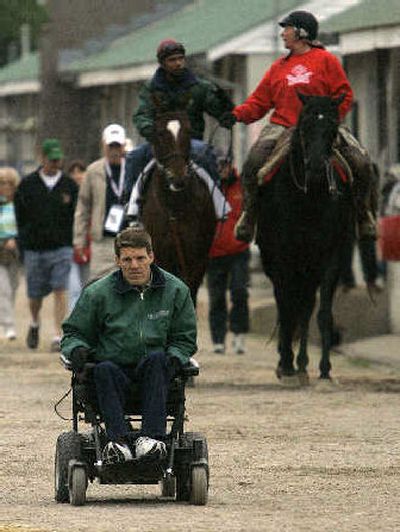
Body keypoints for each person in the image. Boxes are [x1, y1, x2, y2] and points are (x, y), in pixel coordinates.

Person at [228, 10, 376, 244]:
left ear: (301, 33)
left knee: (361, 162)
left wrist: (329, 121)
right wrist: (235, 114)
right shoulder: (278, 67)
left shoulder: (326, 61)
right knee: (253, 162)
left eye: (286, 28)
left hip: (322, 128)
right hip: (282, 127)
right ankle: (249, 216)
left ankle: (363, 215)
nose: (282, 34)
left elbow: (344, 94)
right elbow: (259, 101)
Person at [61, 226, 197, 463]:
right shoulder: (97, 293)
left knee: (158, 361)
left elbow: (185, 337)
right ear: (117, 261)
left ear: (151, 257)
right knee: (103, 369)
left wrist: (176, 356)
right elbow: (73, 333)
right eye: (127, 259)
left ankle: (152, 440)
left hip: (156, 373)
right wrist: (77, 350)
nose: (134, 265)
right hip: (113, 371)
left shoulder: (176, 290)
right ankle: (118, 442)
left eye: (140, 258)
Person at [126, 39, 235, 197]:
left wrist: (226, 110)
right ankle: (128, 205)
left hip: (190, 143)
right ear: (162, 63)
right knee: (133, 157)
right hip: (160, 143)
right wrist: (150, 130)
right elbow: (142, 114)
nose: (178, 63)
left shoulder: (199, 87)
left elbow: (219, 111)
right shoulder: (151, 88)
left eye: (180, 59)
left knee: (206, 154)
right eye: (172, 60)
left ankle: (217, 200)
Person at [14, 139, 78, 351]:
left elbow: (75, 216)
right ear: (42, 158)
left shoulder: (69, 186)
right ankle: (34, 322)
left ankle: (58, 335)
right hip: (34, 248)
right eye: (51, 159)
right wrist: (23, 243)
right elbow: (19, 217)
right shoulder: (27, 184)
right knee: (35, 294)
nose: (55, 163)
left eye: (58, 159)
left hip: (62, 247)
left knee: (61, 289)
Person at [73, 124, 130, 281]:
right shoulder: (93, 170)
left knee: (131, 286)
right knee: (100, 286)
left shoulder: (133, 167)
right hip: (102, 241)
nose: (114, 150)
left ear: (124, 145)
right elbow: (83, 207)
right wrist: (79, 239)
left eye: (117, 145)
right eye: (110, 145)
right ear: (103, 145)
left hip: (130, 238)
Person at [207, 156, 250, 355]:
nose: (223, 170)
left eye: (225, 165)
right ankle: (218, 338)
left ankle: (239, 334)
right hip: (214, 253)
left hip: (239, 251)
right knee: (216, 297)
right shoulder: (210, 187)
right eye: (219, 167)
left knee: (239, 291)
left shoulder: (242, 186)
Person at [0, 167, 20, 340]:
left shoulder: (19, 204)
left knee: (13, 288)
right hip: (0, 253)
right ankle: (8, 326)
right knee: (3, 289)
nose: (5, 186)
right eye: (2, 183)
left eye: (8, 183)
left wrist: (16, 241)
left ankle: (6, 318)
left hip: (15, 255)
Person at [67, 160, 90, 311]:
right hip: (69, 247)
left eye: (80, 171)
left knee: (88, 287)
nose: (77, 176)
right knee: (74, 288)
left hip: (89, 247)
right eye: (73, 173)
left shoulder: (92, 196)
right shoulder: (66, 195)